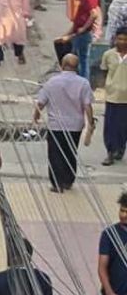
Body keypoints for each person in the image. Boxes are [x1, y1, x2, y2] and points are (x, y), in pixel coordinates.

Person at [33, 52, 94, 192]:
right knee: (70, 152)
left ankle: (57, 183)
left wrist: (36, 115)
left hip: (56, 126)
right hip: (75, 126)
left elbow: (40, 103)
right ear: (76, 67)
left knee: (55, 154)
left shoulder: (51, 82)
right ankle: (68, 181)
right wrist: (90, 123)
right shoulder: (83, 83)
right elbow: (87, 105)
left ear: (62, 65)